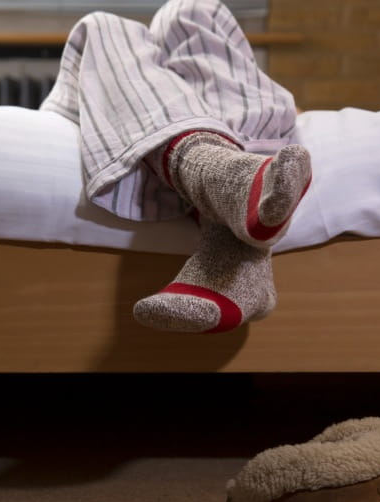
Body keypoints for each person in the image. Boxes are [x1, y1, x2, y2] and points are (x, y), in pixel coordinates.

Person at [41, 0, 312, 334]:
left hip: (155, 114)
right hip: (92, 103)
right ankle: (225, 184)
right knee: (100, 27)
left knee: (191, 8)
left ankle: (225, 194)